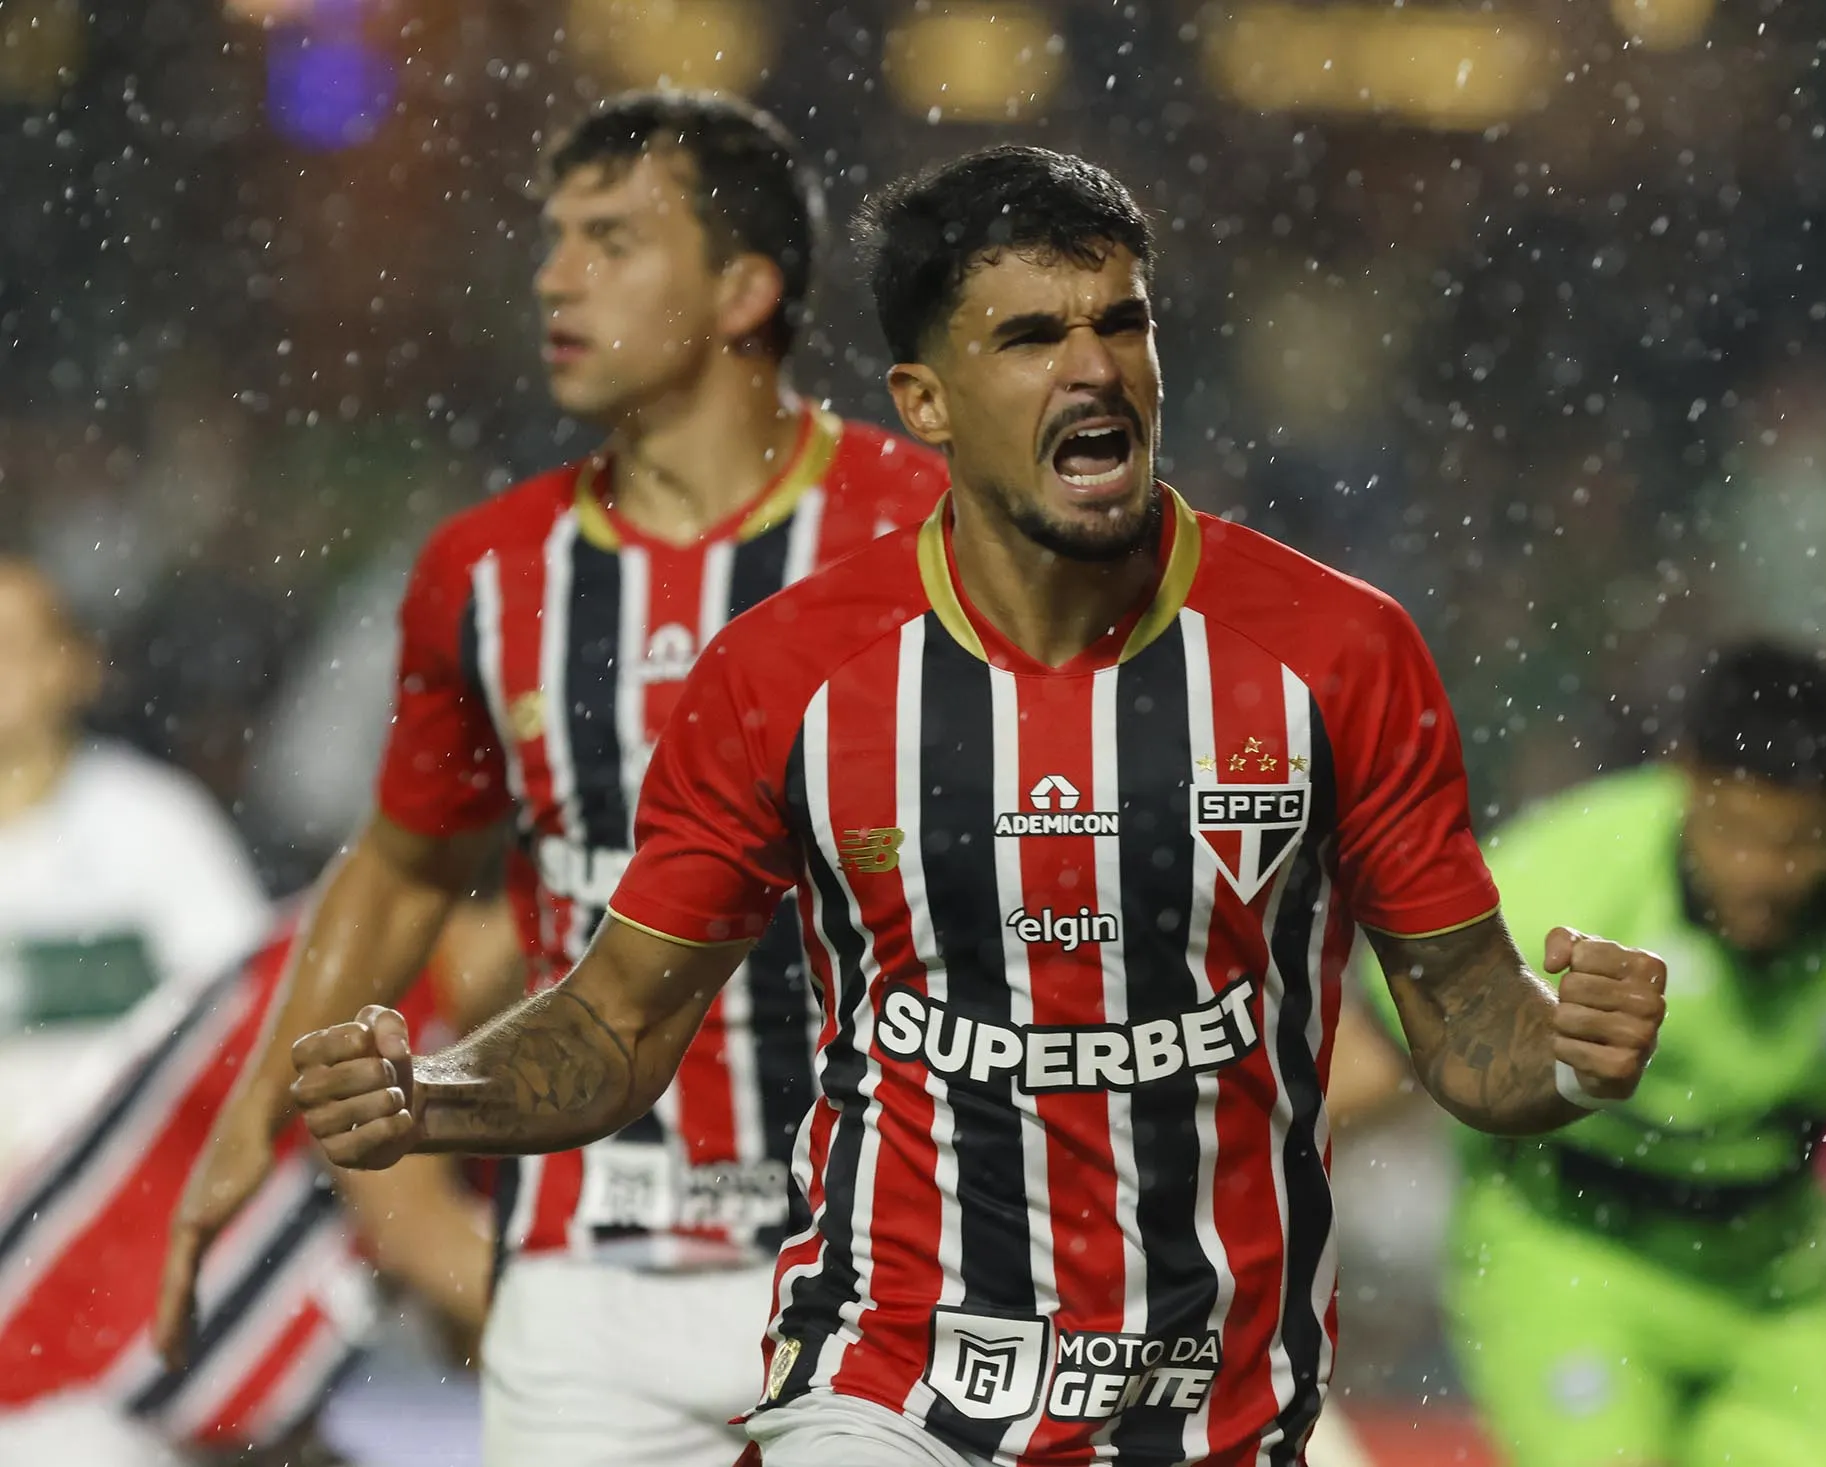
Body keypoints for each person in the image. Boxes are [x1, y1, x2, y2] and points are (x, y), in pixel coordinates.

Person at [286, 144, 1668, 1467]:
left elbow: (1465, 1022)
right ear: (924, 399)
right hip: (889, 1379)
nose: (1093, 368)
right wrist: (437, 1093)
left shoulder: (1338, 652)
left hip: (1209, 1401)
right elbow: (616, 1018)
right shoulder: (788, 675)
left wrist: (1565, 1058)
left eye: (1119, 322)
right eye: (1029, 336)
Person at [159, 90, 949, 1464]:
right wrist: (245, 1129)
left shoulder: (923, 533)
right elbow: (406, 860)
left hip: (886, 1251)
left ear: (745, 289)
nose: (554, 275)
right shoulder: (490, 570)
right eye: (552, 237)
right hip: (585, 1277)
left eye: (612, 239)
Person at [1333, 639, 1826, 1467]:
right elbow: (1376, 1066)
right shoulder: (1550, 887)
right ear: (1684, 779)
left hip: (1774, 1279)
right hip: (1569, 1256)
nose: (1767, 875)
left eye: (1803, 841)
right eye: (1740, 833)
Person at [0, 896, 509, 1465]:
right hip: (51, 1409)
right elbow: (424, 1242)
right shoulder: (369, 971)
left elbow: (472, 1334)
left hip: (169, 1426)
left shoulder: (469, 1043)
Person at [0, 558, 271, 1176]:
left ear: (72, 667)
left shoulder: (154, 824)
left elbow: (244, 1008)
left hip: (119, 1200)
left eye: (13, 645)